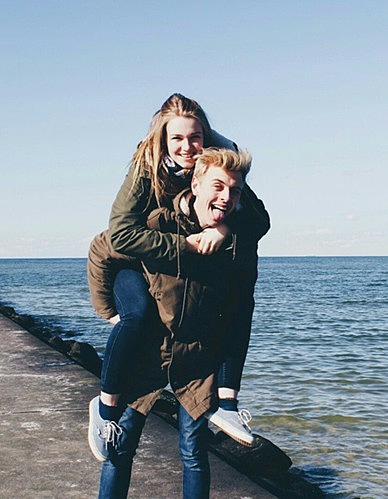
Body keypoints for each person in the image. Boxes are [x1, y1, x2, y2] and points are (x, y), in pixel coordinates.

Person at [88, 93, 270, 455]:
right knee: (138, 315)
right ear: (163, 139)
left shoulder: (216, 166)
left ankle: (228, 401)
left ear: (207, 137)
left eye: (195, 137)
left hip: (171, 269)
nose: (187, 147)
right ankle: (105, 407)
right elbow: (115, 238)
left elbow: (258, 220)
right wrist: (184, 245)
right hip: (133, 260)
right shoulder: (147, 166)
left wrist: (224, 230)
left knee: (241, 292)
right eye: (177, 138)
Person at [89, 147, 253, 498]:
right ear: (195, 184)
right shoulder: (158, 224)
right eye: (218, 186)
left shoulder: (237, 243)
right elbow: (102, 249)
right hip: (147, 356)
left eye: (235, 191)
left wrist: (228, 392)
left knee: (194, 454)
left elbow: (240, 313)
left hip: (196, 362)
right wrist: (110, 312)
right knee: (120, 448)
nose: (226, 198)